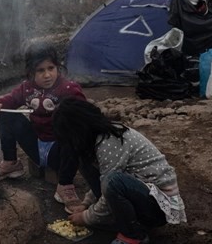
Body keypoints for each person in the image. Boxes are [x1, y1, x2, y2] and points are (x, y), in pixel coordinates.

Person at [53, 98, 187, 244]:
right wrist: (86, 205)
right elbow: (101, 178)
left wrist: (86, 217)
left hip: (156, 208)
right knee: (86, 163)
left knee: (114, 181)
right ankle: (114, 218)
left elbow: (109, 183)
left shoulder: (110, 140)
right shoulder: (96, 140)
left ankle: (134, 235)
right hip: (139, 192)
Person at [0, 42, 87, 214]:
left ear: (58, 67)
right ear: (31, 72)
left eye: (51, 68)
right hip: (35, 145)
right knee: (6, 112)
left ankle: (65, 185)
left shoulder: (69, 89)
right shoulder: (27, 88)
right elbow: (8, 101)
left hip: (61, 149)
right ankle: (11, 163)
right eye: (40, 70)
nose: (47, 75)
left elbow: (86, 117)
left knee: (76, 132)